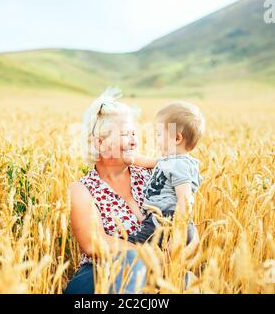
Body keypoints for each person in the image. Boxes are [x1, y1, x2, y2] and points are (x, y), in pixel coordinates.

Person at [64, 88, 151, 294]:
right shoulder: (82, 190)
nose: (133, 140)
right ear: (100, 143)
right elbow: (94, 243)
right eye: (124, 134)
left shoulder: (150, 177)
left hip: (154, 274)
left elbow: (182, 224)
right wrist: (147, 256)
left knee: (187, 280)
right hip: (97, 278)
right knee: (131, 261)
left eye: (133, 133)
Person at [126, 102, 205, 248]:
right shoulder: (168, 161)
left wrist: (177, 234)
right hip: (159, 219)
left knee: (130, 247)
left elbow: (185, 200)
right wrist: (126, 156)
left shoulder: (181, 165)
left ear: (176, 138)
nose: (156, 139)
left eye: (159, 134)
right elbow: (145, 161)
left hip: (166, 219)